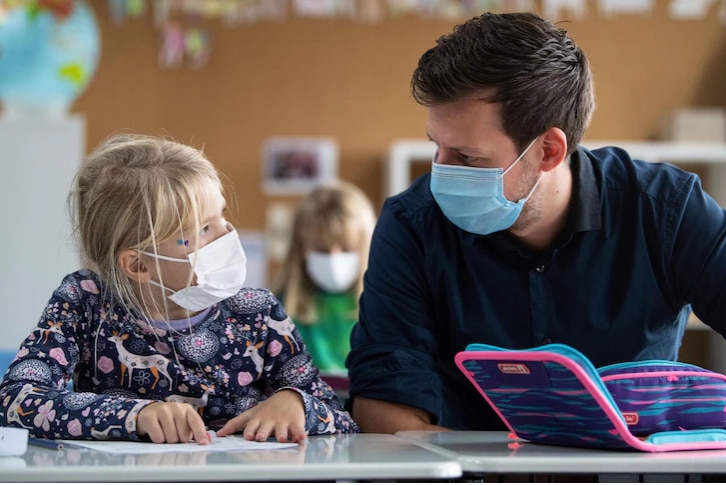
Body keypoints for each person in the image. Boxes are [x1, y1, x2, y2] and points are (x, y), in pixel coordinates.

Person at [346, 11, 726, 433]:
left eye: (468, 158)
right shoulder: (412, 224)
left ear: (548, 150)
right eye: (437, 147)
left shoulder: (665, 210)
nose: (441, 173)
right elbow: (383, 404)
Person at [0, 134, 358, 444]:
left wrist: (296, 403)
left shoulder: (258, 312)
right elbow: (16, 400)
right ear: (139, 265)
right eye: (201, 230)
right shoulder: (85, 301)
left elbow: (342, 422)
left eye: (220, 216)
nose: (226, 234)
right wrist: (136, 416)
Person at [272, 181, 376, 377]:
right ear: (300, 248)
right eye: (321, 249)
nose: (334, 258)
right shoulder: (277, 311)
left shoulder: (385, 308)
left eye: (346, 248)